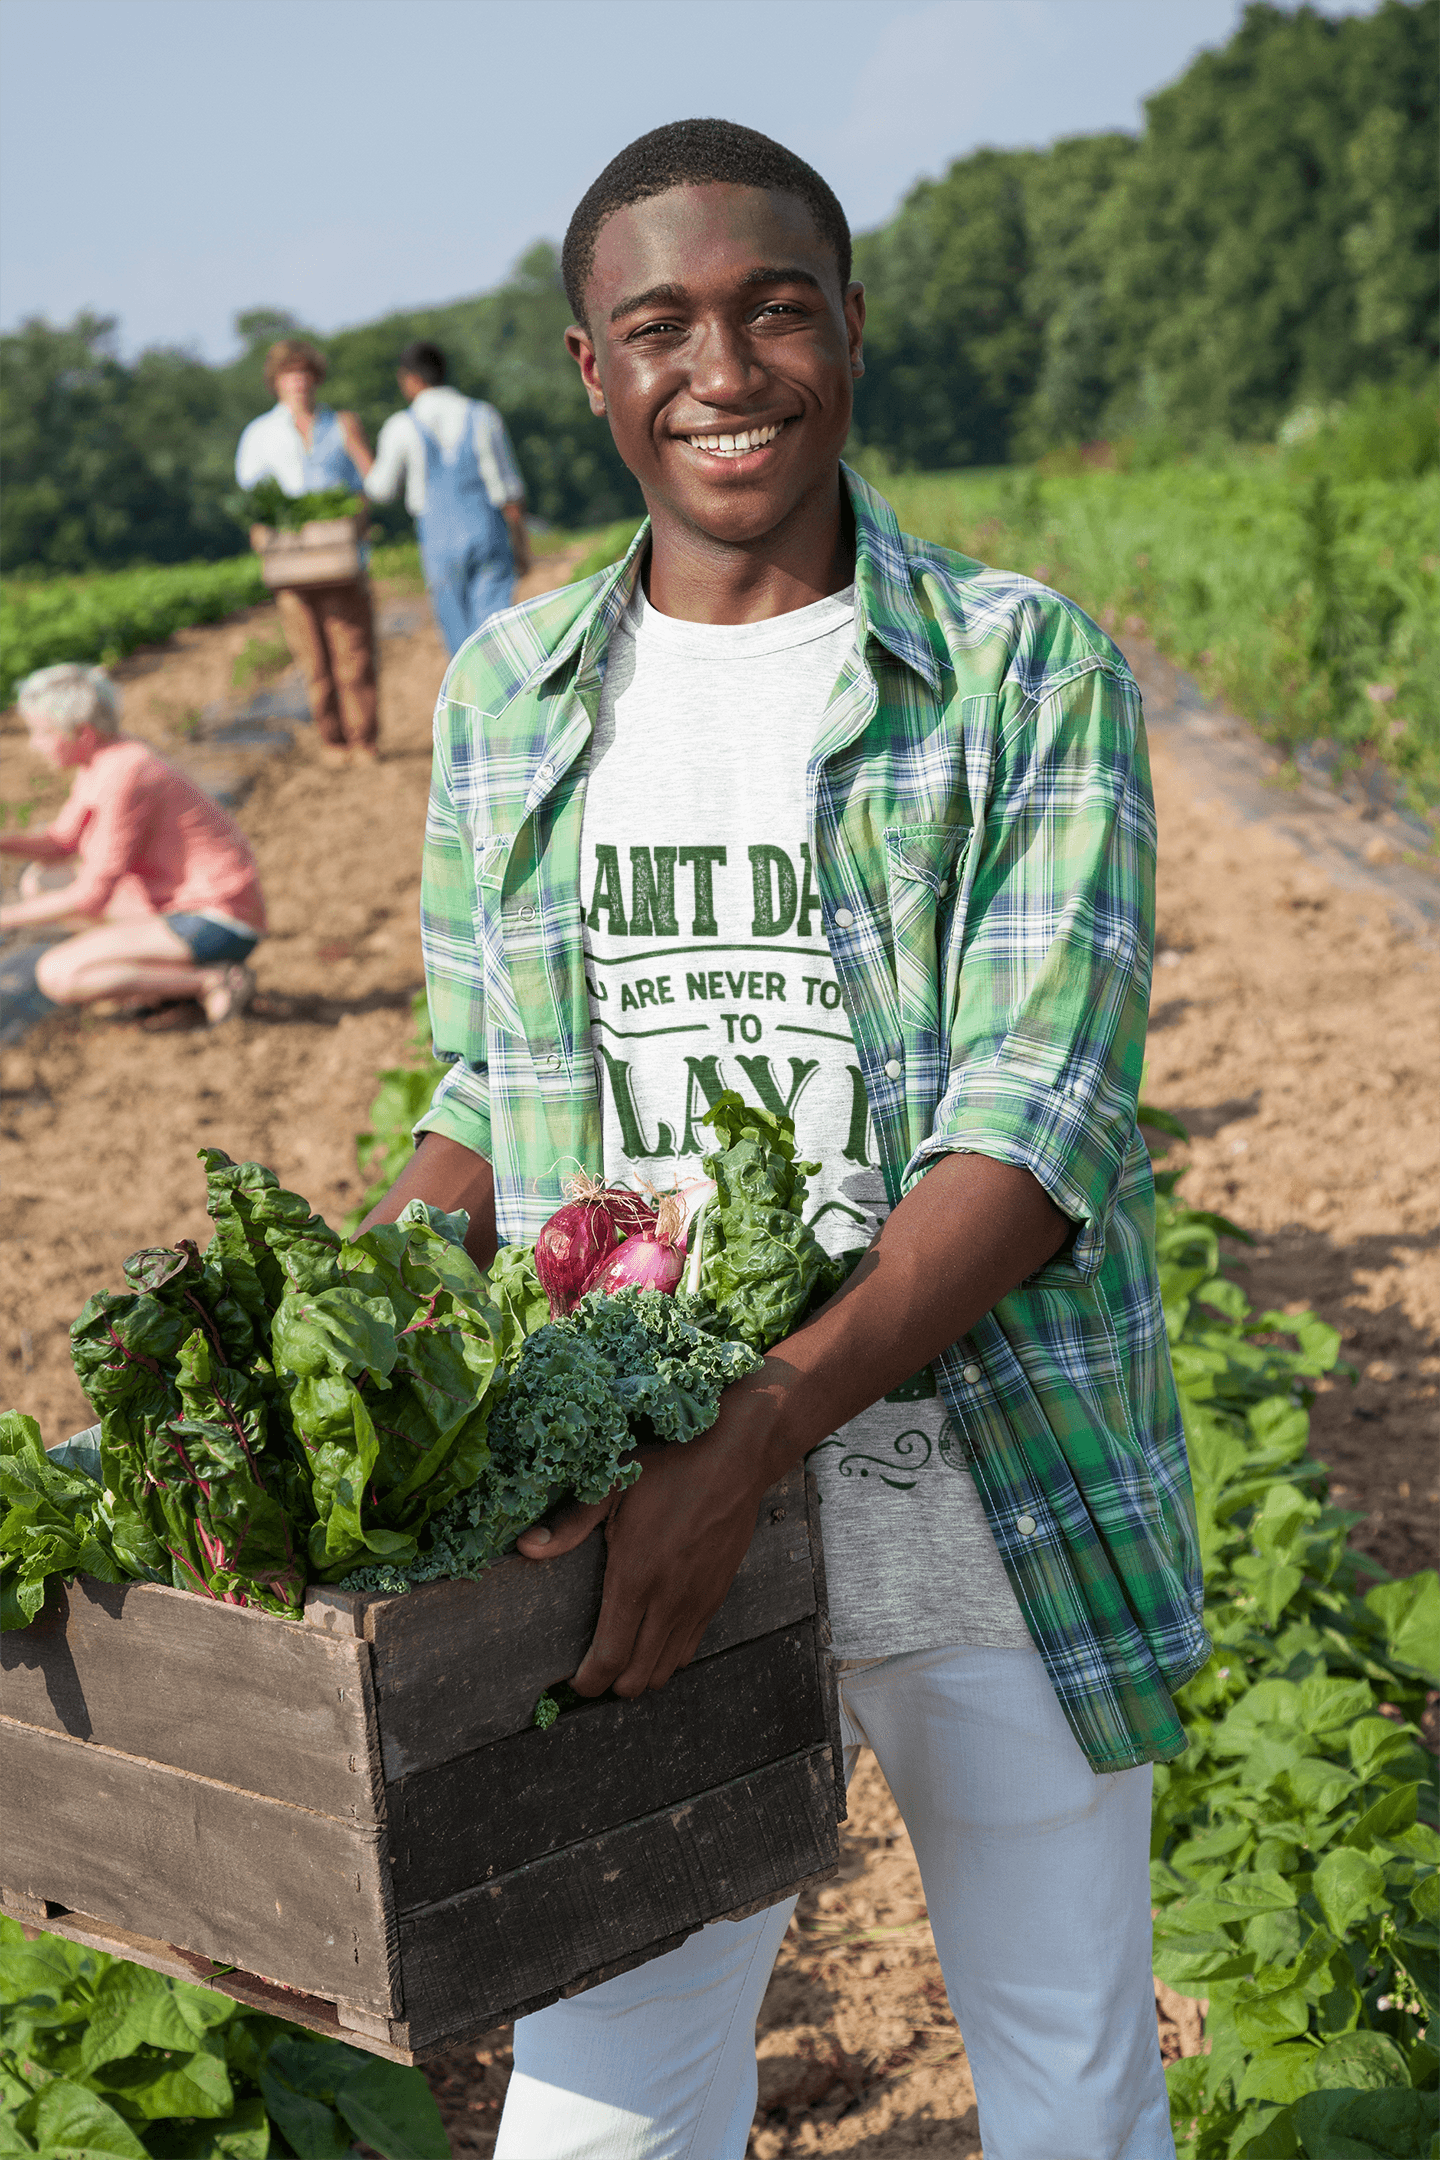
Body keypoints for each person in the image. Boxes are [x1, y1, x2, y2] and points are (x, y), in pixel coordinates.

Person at [361, 119, 1203, 2159]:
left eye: (774, 313)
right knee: (598, 2101)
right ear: (590, 371)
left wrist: (755, 1435)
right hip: (638, 1535)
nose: (723, 372)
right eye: (662, 326)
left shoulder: (1017, 672)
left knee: (1067, 2066)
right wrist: (360, 1326)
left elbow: (1028, 1128)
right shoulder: (513, 695)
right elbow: (486, 1085)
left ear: (851, 332)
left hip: (984, 1496)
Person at [0, 664, 265, 1024]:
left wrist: (8, 918)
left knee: (59, 973)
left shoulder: (127, 775)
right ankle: (158, 978)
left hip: (217, 919)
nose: (34, 745)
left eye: (42, 732)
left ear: (83, 733)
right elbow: (61, 843)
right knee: (42, 880)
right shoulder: (104, 760)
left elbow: (91, 896)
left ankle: (209, 980)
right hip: (173, 900)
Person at [235, 338, 380, 768]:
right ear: (276, 382)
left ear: (315, 379)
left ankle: (365, 740)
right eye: (288, 375)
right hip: (291, 561)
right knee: (313, 661)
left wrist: (357, 516)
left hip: (338, 555)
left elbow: (368, 484)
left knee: (353, 653)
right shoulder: (260, 434)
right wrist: (261, 530)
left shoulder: (341, 425)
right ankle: (332, 741)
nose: (297, 383)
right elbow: (253, 496)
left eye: (303, 374)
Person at [356, 340, 532, 655]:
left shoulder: (401, 425)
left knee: (460, 642)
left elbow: (380, 490)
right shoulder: (482, 414)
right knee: (497, 631)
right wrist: (521, 544)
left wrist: (359, 452)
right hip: (487, 530)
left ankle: (470, 700)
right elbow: (508, 489)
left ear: (410, 379)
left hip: (439, 542)